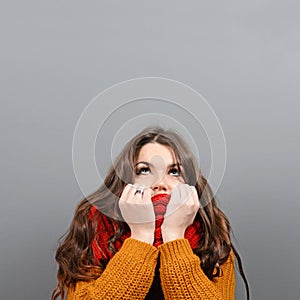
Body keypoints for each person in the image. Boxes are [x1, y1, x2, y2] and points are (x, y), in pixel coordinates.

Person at [51, 126, 249, 299]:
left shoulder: (210, 236)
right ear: (124, 184)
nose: (160, 183)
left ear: (189, 185)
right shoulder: (93, 228)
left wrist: (174, 237)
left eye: (174, 172)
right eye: (144, 170)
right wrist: (140, 236)